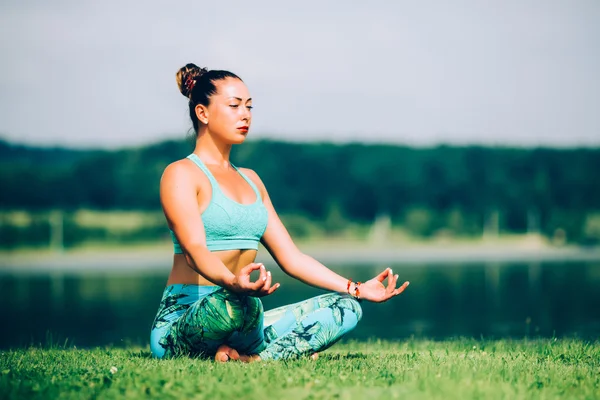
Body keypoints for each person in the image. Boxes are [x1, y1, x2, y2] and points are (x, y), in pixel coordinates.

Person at [150, 63, 410, 362]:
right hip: (191, 319)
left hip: (245, 317)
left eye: (249, 106)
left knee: (347, 308)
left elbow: (292, 258)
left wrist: (356, 288)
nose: (245, 114)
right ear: (203, 113)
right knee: (239, 303)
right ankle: (268, 352)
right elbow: (195, 250)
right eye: (234, 106)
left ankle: (251, 359)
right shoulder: (181, 174)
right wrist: (233, 283)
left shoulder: (252, 180)